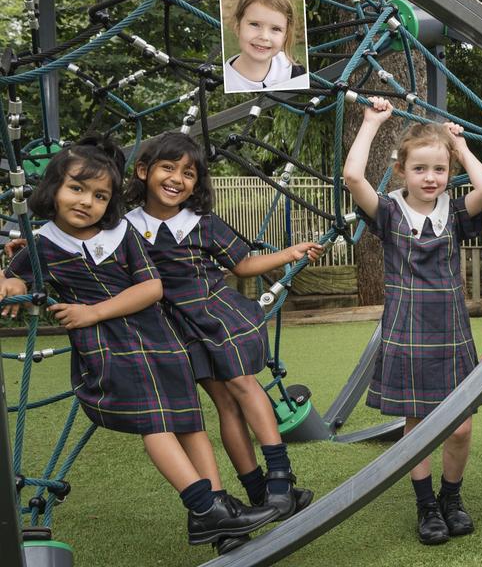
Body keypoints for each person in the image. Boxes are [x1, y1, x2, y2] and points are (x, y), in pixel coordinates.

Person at [0, 136, 278, 549]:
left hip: (160, 339)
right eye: (76, 189)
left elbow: (151, 288)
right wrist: (8, 282)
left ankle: (220, 516)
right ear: (52, 189)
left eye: (99, 195)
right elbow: (21, 277)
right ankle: (203, 506)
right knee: (157, 423)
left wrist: (92, 310)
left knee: (189, 421)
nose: (85, 202)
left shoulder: (121, 234)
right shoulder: (44, 244)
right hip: (110, 349)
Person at [122, 131, 321, 526]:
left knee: (245, 385)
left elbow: (242, 265)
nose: (178, 178)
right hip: (175, 326)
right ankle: (258, 492)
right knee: (224, 404)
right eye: (168, 167)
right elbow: (82, 243)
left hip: (215, 313)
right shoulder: (124, 228)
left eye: (189, 173)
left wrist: (290, 253)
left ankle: (280, 479)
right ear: (143, 171)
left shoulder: (201, 222)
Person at [342, 99, 482, 544]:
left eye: (439, 169)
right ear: (402, 172)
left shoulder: (454, 211)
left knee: (460, 425)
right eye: (420, 169)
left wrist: (461, 146)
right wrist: (372, 122)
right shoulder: (388, 212)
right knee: (418, 423)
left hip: (449, 333)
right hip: (406, 331)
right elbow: (353, 177)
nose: (430, 178)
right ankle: (426, 504)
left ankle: (452, 497)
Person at [223, 0, 306, 93]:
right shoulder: (224, 81)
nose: (264, 37)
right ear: (238, 27)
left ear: (285, 36)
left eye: (276, 29)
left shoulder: (293, 70)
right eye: (255, 24)